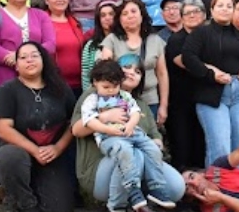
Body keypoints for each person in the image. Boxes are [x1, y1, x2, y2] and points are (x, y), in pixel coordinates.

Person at [72, 61, 186, 209]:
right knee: (132, 152)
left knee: (175, 187)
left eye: (138, 71)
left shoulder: (139, 104)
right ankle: (120, 203)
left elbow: (155, 134)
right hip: (104, 162)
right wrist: (105, 117)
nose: (131, 72)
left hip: (140, 155)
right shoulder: (94, 95)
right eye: (127, 67)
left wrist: (156, 142)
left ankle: (154, 192)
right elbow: (76, 130)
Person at [182, 0, 239, 169]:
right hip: (213, 95)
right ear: (211, 10)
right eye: (220, 6)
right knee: (220, 146)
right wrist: (210, 73)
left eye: (229, 6)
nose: (225, 9)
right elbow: (188, 58)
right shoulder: (202, 33)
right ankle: (217, 190)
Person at [0, 42, 77, 212]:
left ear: (43, 60)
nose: (29, 60)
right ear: (16, 66)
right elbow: (3, 129)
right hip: (21, 153)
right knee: (9, 156)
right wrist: (34, 150)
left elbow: (73, 122)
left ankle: (23, 192)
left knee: (61, 207)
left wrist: (58, 148)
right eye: (23, 58)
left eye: (34, 55)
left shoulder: (60, 87)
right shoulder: (7, 90)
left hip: (52, 156)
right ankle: (22, 201)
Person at [100, 0, 170, 123]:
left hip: (149, 100)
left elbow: (162, 74)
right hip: (119, 101)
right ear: (119, 19)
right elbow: (104, 71)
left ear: (142, 14)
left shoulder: (155, 40)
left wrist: (163, 105)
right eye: (124, 14)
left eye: (133, 11)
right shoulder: (111, 40)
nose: (130, 16)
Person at [165, 0, 208, 169]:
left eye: (196, 11)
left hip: (204, 99)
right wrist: (217, 70)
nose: (192, 15)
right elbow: (189, 64)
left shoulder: (208, 37)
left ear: (204, 15)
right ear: (181, 17)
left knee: (201, 145)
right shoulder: (176, 40)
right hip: (180, 102)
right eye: (187, 13)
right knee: (182, 147)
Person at [44, 0, 87, 95]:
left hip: (78, 84)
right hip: (53, 84)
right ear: (46, 0)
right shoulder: (42, 23)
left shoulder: (75, 23)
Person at [83, 0, 120, 91]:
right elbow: (86, 75)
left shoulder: (125, 41)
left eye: (111, 14)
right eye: (103, 15)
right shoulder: (91, 46)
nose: (107, 18)